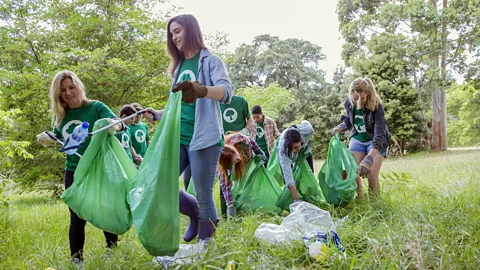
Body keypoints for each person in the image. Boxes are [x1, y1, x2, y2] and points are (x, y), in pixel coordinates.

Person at [145, 14, 233, 244]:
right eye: (171, 34)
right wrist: (157, 114)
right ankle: (194, 213)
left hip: (204, 138)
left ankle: (207, 244)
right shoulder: (179, 67)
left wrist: (202, 90)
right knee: (160, 184)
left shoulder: (211, 61)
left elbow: (226, 92)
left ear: (191, 30)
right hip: (178, 137)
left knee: (204, 193)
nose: (174, 37)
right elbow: (176, 106)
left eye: (177, 31)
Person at [43, 70, 124, 265]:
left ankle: (111, 251)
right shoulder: (60, 115)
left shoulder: (96, 107)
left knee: (106, 209)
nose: (68, 93)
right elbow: (59, 138)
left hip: (99, 169)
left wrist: (113, 125)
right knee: (76, 216)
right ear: (58, 93)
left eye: (71, 87)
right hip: (73, 171)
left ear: (79, 86)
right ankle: (76, 260)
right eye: (62, 90)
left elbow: (120, 125)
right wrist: (48, 139)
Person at [332, 78, 390, 198]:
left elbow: (379, 133)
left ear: (368, 94)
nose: (359, 102)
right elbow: (350, 119)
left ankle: (375, 206)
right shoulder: (348, 103)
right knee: (353, 171)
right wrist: (342, 126)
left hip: (375, 140)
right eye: (355, 98)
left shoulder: (377, 106)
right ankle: (360, 196)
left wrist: (369, 157)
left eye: (362, 98)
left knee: (372, 173)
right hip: (357, 139)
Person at [217, 95, 253, 218]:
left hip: (240, 144)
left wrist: (245, 130)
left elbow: (250, 119)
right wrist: (230, 204)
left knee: (243, 179)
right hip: (222, 146)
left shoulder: (240, 101)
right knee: (224, 180)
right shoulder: (214, 102)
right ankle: (226, 213)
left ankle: (244, 209)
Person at [216, 133, 267, 219]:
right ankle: (225, 215)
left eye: (237, 156)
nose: (239, 158)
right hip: (226, 162)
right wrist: (230, 205)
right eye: (235, 161)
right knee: (224, 186)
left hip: (246, 157)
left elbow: (250, 140)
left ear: (234, 150)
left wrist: (258, 151)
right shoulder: (223, 159)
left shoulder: (244, 142)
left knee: (247, 183)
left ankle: (247, 205)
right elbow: (225, 185)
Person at [277, 121, 314, 202]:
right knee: (290, 177)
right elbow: (288, 176)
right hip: (286, 150)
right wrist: (297, 200)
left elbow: (306, 124)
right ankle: (295, 197)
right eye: (292, 148)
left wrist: (307, 145)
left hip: (304, 148)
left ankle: (310, 196)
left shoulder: (307, 130)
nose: (294, 151)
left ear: (300, 140)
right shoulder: (283, 151)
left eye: (296, 147)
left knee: (309, 173)